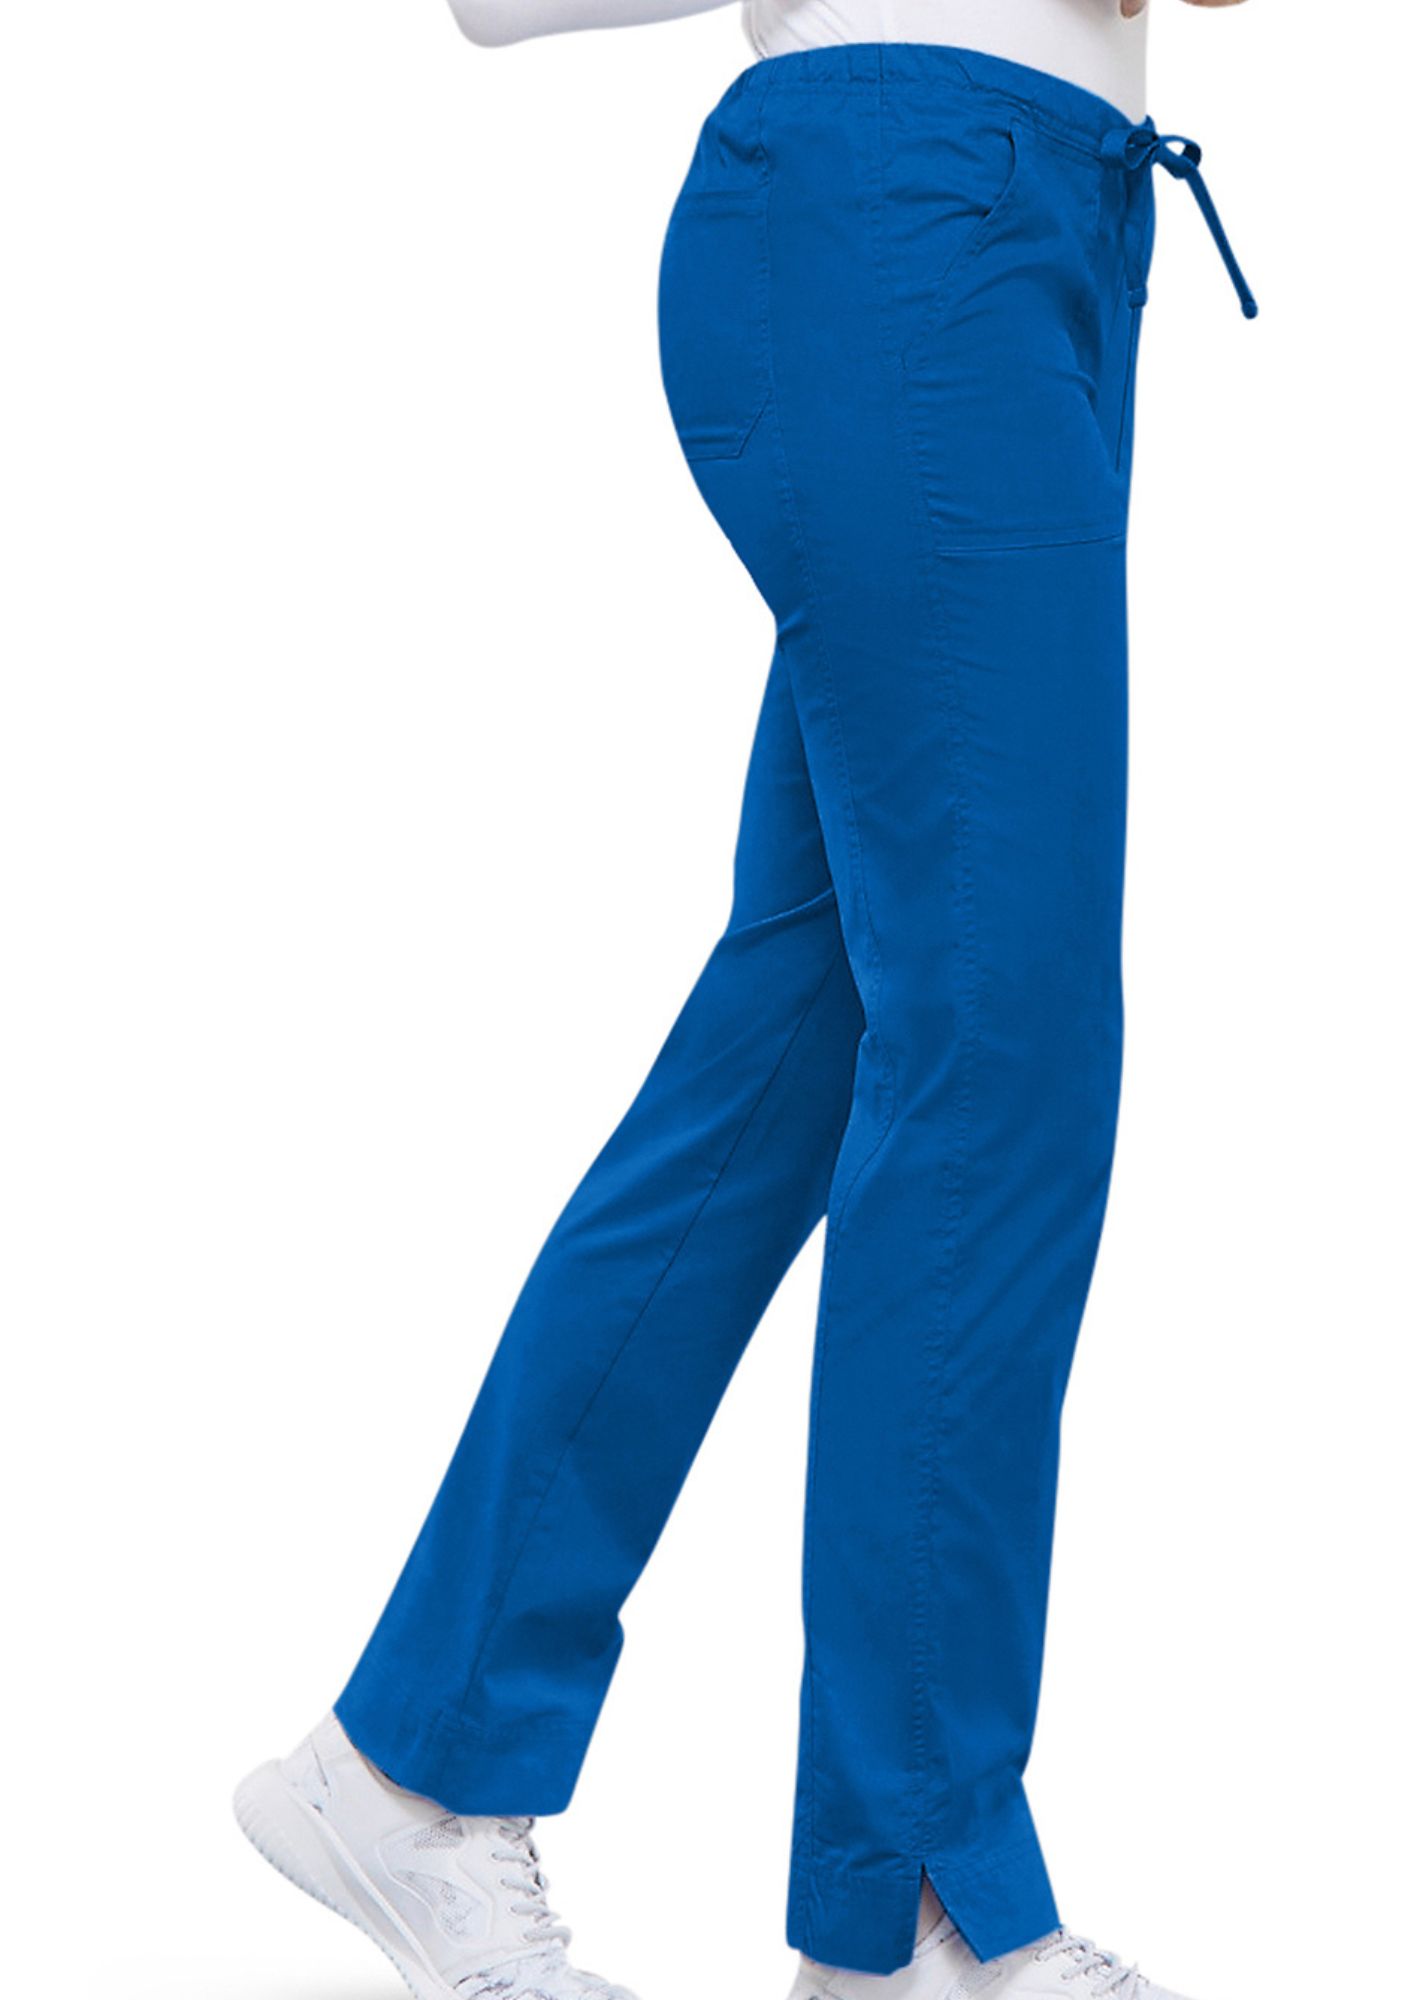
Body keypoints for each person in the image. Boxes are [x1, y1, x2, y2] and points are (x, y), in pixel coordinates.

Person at [234, 3, 1257, 1997]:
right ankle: (916, 1903)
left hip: (1043, 223)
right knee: (999, 1052)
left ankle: (408, 1761)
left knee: (802, 1042)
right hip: (905, 206)